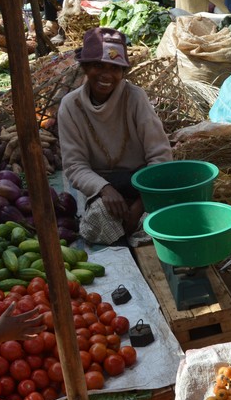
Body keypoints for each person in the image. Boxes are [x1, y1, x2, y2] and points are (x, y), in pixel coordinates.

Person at [58, 28, 172, 242]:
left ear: (123, 72)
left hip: (143, 183)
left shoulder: (135, 98)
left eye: (115, 68)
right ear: (85, 67)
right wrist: (104, 189)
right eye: (98, 66)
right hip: (103, 184)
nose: (106, 75)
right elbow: (75, 165)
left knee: (164, 221)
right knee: (100, 219)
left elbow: (160, 157)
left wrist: (141, 203)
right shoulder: (71, 106)